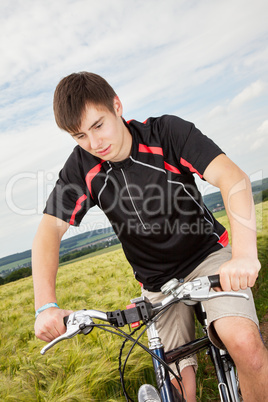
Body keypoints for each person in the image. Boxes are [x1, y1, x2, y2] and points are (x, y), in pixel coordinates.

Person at [32, 72, 268, 401]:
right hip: (156, 282)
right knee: (177, 384)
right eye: (80, 136)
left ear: (117, 106)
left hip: (208, 258)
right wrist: (45, 305)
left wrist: (243, 254)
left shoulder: (167, 133)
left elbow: (234, 178)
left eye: (98, 125)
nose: (94, 143)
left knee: (244, 344)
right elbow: (48, 231)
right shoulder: (82, 166)